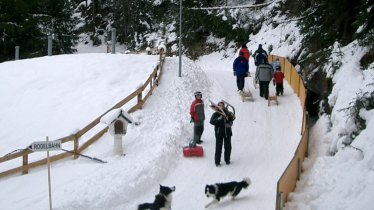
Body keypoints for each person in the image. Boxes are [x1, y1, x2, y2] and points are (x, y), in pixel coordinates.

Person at [209, 101, 234, 167]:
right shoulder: (216, 114)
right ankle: (217, 162)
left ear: (224, 106)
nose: (221, 106)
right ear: (218, 106)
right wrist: (218, 119)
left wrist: (230, 124)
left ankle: (227, 160)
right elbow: (211, 121)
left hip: (227, 133)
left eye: (222, 105)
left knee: (228, 147)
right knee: (218, 148)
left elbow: (231, 120)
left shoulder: (227, 113)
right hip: (219, 133)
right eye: (220, 105)